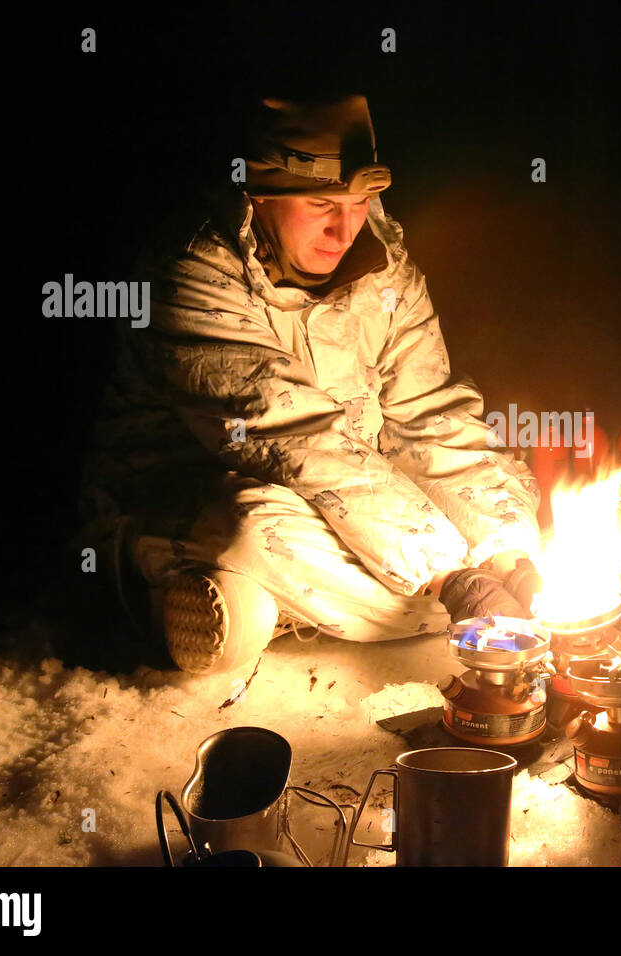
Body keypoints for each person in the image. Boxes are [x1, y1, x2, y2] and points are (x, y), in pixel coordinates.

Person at [76, 95, 543, 675]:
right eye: (321, 203)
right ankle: (168, 582)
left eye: (360, 203)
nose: (345, 229)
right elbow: (294, 436)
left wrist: (506, 554)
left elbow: (429, 412)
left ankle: (284, 608)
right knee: (253, 530)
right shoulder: (191, 275)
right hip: (205, 489)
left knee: (494, 515)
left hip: (344, 489)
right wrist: (450, 574)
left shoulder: (386, 272)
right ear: (259, 196)